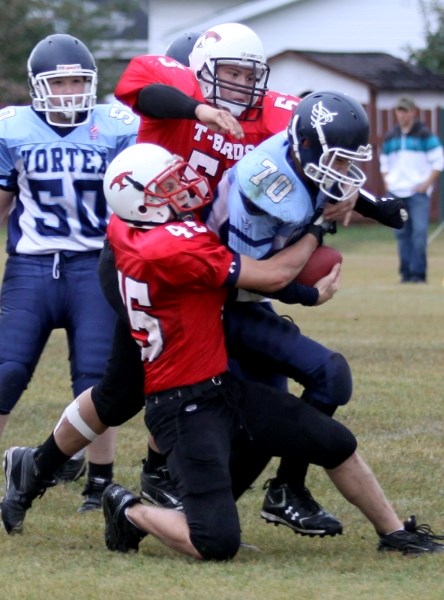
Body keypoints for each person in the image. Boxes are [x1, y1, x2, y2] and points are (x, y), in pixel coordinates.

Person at [98, 142, 443, 560]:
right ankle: (128, 508)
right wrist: (316, 228)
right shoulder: (172, 246)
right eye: (167, 185)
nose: (183, 187)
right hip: (182, 406)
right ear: (140, 201)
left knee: (335, 442)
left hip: (222, 387)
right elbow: (275, 274)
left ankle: (395, 532)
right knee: (216, 543)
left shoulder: (124, 227)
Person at [0, 33, 139, 511]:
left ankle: (100, 482)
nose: (70, 91)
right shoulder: (12, 129)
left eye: (78, 81)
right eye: (59, 82)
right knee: (6, 369)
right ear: (39, 87)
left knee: (96, 378)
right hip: (32, 266)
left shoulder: (118, 126)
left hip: (94, 265)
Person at [379, 96, 444, 283]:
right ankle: (405, 274)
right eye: (399, 110)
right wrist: (387, 183)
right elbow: (384, 163)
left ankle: (418, 274)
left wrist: (426, 183)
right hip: (396, 192)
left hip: (417, 193)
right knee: (401, 234)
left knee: (419, 233)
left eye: (405, 110)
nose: (402, 114)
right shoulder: (391, 136)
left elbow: (438, 162)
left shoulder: (425, 135)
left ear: (413, 112)